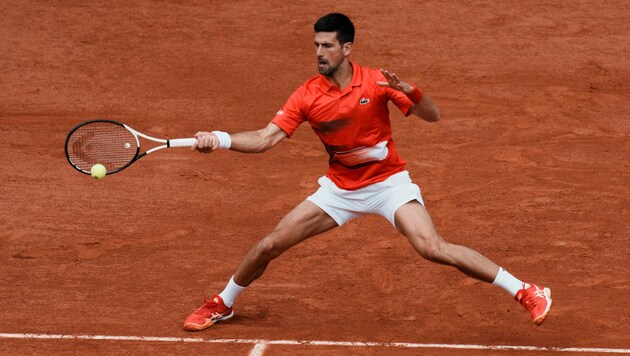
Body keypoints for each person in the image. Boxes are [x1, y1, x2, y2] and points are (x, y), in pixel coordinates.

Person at [183, 13, 552, 331]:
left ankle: (525, 290)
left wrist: (414, 92)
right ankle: (223, 303)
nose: (319, 53)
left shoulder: (378, 82)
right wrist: (219, 138)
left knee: (432, 248)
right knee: (270, 244)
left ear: (347, 49)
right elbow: (265, 139)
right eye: (316, 45)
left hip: (388, 184)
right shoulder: (307, 95)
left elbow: (433, 116)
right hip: (340, 190)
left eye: (327, 46)